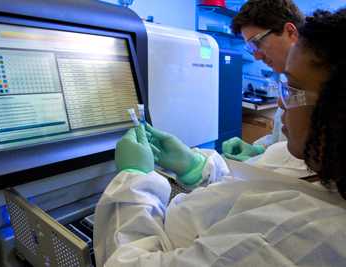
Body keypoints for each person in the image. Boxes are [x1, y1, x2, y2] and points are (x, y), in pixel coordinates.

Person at [94, 9, 346, 266]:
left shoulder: (298, 237)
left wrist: (133, 180)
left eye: (292, 88)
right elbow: (252, 190)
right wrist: (197, 166)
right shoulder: (322, 161)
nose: (281, 102)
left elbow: (125, 263)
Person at [223, 0, 303, 162]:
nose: (256, 56)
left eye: (257, 42)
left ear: (290, 32)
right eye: (251, 48)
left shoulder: (320, 83)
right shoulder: (284, 77)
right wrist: (259, 149)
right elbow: (280, 139)